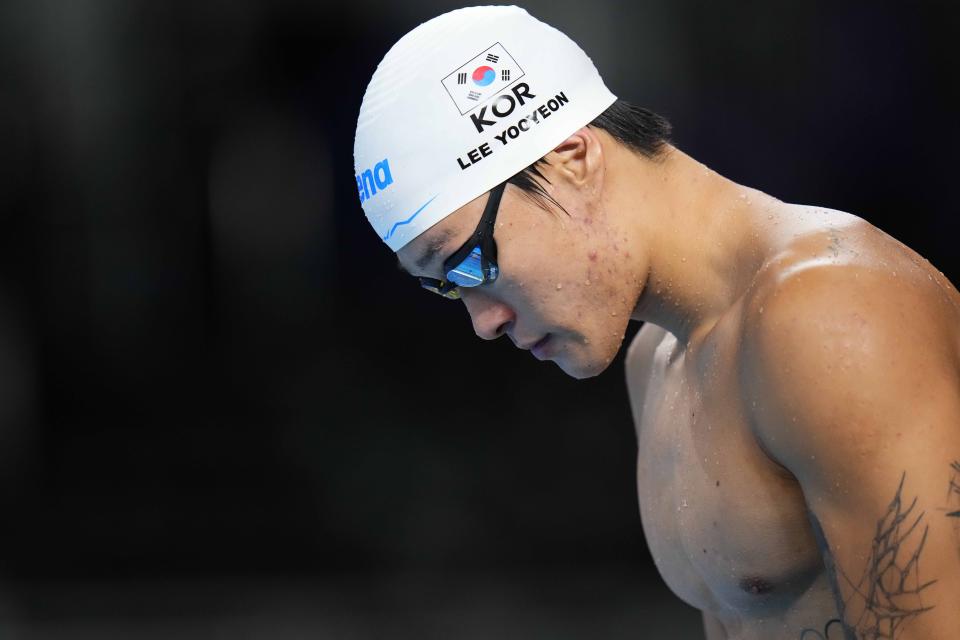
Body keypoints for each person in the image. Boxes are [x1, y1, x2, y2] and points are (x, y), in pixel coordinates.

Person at [354, 6, 960, 638]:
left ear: (571, 157)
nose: (481, 323)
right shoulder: (656, 362)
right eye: (443, 285)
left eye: (469, 259)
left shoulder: (830, 312)